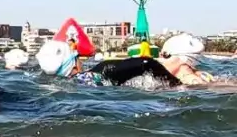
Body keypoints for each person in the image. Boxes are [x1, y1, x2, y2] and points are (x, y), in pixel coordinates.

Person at [37, 40, 180, 87]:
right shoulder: (101, 71)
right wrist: (175, 84)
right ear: (74, 63)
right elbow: (145, 62)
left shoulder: (63, 84)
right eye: (78, 57)